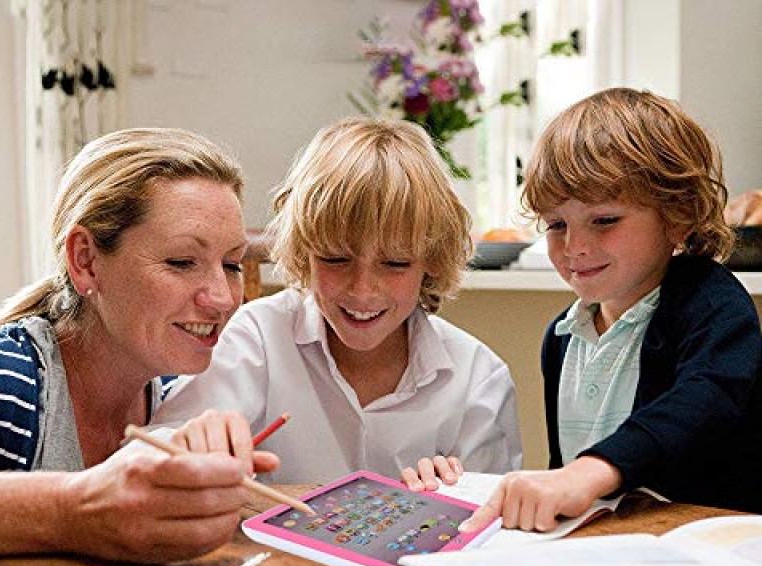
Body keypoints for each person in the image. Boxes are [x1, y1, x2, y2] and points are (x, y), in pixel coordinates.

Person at [0, 127, 278, 562]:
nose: (222, 298)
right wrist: (74, 509)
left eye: (231, 264)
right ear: (86, 261)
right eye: (181, 262)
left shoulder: (174, 393)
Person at [152, 116, 522, 484]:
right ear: (304, 252)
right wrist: (193, 446)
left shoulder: (477, 378)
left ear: (431, 262)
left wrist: (459, 502)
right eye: (335, 259)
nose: (362, 290)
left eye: (394, 264)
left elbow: (495, 524)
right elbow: (156, 453)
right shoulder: (259, 339)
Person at [459, 87, 762, 535]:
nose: (574, 247)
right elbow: (569, 475)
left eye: (604, 220)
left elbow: (705, 401)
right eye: (557, 224)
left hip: (711, 555)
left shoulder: (711, 303)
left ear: (676, 215)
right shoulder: (561, 338)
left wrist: (590, 471)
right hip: (609, 554)